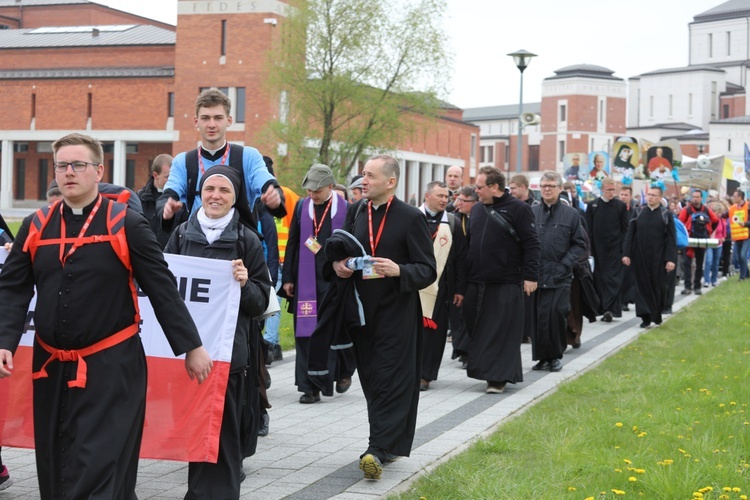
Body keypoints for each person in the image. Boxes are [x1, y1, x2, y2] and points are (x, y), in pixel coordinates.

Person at [0, 133, 213, 499]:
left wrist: (191, 346)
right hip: (50, 366)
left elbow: (162, 289)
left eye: (78, 165)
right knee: (55, 465)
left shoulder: (126, 224)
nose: (69, 173)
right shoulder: (36, 224)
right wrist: (4, 340)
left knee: (97, 465)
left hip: (112, 367)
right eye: (62, 165)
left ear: (99, 170)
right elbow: (13, 288)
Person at [165, 165, 271, 499]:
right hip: (186, 354)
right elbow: (164, 289)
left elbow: (261, 302)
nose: (216, 196)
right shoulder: (182, 234)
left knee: (223, 440)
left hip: (229, 357)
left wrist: (243, 284)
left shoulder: (247, 240)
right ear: (200, 194)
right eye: (210, 189)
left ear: (235, 198)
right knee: (194, 436)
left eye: (224, 191)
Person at [332, 154, 436, 480]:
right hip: (361, 312)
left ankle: (375, 449)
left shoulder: (410, 217)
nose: (363, 181)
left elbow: (428, 270)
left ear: (391, 182)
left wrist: (399, 269)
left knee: (391, 379)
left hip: (397, 312)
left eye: (371, 176)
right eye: (363, 174)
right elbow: (341, 251)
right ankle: (386, 443)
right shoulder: (356, 211)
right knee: (372, 381)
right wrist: (339, 267)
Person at [157, 89, 285, 237]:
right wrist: (166, 211)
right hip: (196, 244)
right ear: (196, 121)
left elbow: (269, 185)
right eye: (205, 118)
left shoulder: (249, 157)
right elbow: (167, 196)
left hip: (238, 246)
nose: (211, 124)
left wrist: (275, 199)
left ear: (229, 120)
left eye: (218, 118)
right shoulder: (183, 162)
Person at [283, 164, 355, 403]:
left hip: (335, 281)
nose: (312, 195)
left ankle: (340, 373)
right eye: (309, 190)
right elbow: (293, 242)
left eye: (317, 190)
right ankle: (309, 387)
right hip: (306, 281)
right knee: (306, 333)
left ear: (331, 187)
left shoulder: (347, 209)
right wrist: (288, 278)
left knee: (333, 332)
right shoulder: (303, 207)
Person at [464, 166, 540, 394]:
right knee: (480, 330)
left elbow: (531, 244)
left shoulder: (519, 209)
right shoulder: (477, 210)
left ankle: (498, 378)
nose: (476, 191)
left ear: (494, 187)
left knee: (501, 332)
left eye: (479, 187)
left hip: (506, 281)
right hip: (477, 282)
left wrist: (530, 276)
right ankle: (484, 371)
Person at [530, 171, 587, 372]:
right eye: (543, 185)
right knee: (538, 317)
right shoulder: (532, 212)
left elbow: (580, 244)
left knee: (555, 315)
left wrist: (565, 264)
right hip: (536, 275)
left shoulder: (571, 214)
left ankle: (554, 356)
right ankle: (541, 357)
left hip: (560, 275)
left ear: (560, 188)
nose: (546, 189)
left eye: (551, 186)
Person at [417, 181, 466, 390]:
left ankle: (426, 374)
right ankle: (410, 370)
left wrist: (459, 289)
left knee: (435, 333)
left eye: (447, 197)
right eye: (440, 196)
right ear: (427, 196)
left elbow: (462, 259)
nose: (445, 200)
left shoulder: (453, 224)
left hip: (441, 287)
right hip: (414, 286)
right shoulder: (411, 218)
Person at [623, 185, 677, 328]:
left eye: (654, 195)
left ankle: (656, 313)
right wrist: (626, 253)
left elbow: (671, 238)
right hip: (640, 255)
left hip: (658, 257)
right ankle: (645, 316)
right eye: (649, 194)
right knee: (641, 286)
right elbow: (630, 234)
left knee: (658, 286)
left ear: (660, 198)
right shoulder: (638, 212)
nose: (650, 197)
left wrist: (670, 259)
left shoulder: (666, 214)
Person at [264, 156, 299, 364]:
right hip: (288, 256)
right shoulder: (291, 195)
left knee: (272, 301)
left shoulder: (264, 197)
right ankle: (272, 342)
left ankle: (270, 344)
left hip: (274, 256)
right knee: (274, 302)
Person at [585, 177, 629, 322]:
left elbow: (625, 229)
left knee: (614, 278)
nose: (611, 192)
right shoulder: (593, 206)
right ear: (602, 189)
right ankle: (602, 308)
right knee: (600, 278)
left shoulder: (620, 206)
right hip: (598, 249)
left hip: (615, 248)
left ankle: (611, 309)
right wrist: (588, 249)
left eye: (613, 190)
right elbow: (588, 230)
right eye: (608, 190)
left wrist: (624, 250)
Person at [450, 186, 477, 367]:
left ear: (474, 203)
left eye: (462, 200)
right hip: (458, 273)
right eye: (457, 199)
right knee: (457, 313)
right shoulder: (455, 219)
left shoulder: (479, 219)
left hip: (475, 274)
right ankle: (460, 349)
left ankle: (469, 350)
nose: (457, 203)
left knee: (470, 312)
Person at [678, 189, 719, 294]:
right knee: (687, 264)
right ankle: (688, 287)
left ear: (701, 198)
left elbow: (716, 220)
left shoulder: (706, 210)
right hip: (689, 241)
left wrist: (708, 232)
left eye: (697, 197)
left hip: (701, 240)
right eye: (694, 197)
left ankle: (697, 287)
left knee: (699, 265)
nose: (695, 199)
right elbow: (680, 224)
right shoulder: (687, 210)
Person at [138, 153, 173, 248]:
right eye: (167, 177)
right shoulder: (141, 199)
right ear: (155, 175)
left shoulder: (179, 199)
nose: (172, 180)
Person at [619, 185, 637, 312]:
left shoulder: (635, 211)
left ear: (630, 196)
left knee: (627, 275)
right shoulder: (615, 208)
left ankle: (624, 301)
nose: (623, 197)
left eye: (626, 195)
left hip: (629, 246)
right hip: (616, 245)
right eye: (622, 194)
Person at [703, 201, 727, 287]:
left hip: (718, 244)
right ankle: (706, 280)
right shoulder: (710, 221)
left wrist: (723, 237)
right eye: (717, 213)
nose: (719, 214)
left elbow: (724, 232)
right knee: (709, 261)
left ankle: (714, 280)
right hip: (710, 243)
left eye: (720, 213)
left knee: (716, 262)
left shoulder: (722, 221)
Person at [729, 189, 750, 280]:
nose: (733, 198)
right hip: (738, 236)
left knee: (742, 255)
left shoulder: (748, 206)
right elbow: (725, 215)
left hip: (747, 236)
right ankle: (747, 274)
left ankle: (742, 277)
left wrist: (745, 224)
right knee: (738, 258)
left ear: (740, 197)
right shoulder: (733, 208)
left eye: (735, 196)